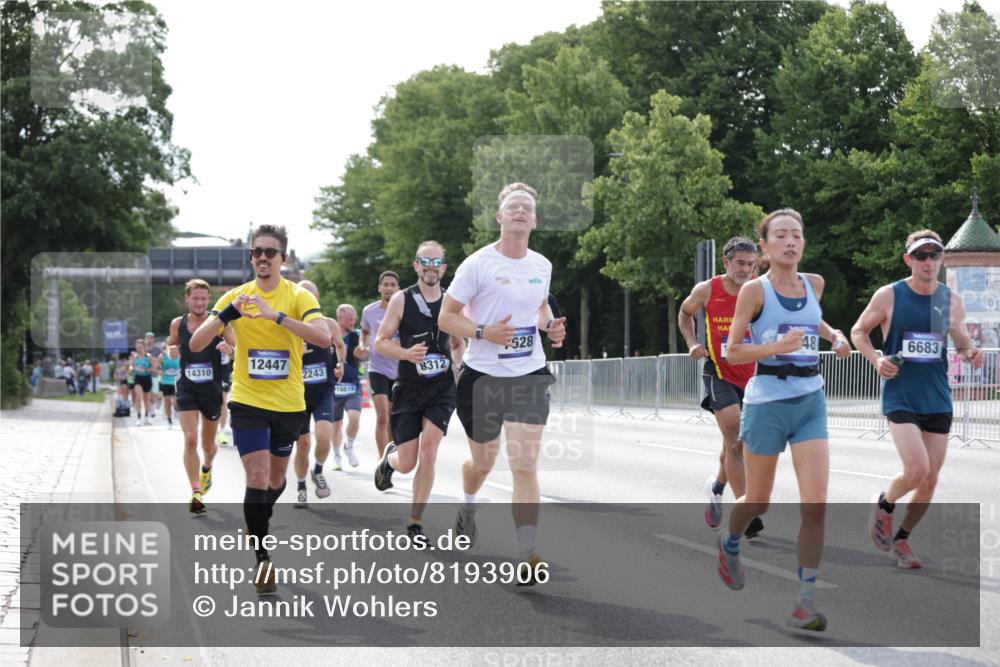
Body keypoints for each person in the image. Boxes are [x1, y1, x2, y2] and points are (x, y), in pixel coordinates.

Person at [718, 208, 851, 632]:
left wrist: (836, 336)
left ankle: (804, 601)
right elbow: (732, 351)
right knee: (758, 502)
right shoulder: (754, 292)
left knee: (816, 505)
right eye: (781, 235)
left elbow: (812, 319)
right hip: (767, 401)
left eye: (797, 234)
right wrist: (776, 348)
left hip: (810, 399)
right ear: (766, 245)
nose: (791, 241)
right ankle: (731, 541)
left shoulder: (814, 283)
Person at [189, 224, 329, 595]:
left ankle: (257, 518)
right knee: (257, 473)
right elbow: (197, 339)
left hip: (288, 404)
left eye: (270, 252)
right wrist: (225, 316)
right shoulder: (237, 296)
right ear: (251, 257)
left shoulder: (297, 296)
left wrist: (275, 316)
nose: (263, 258)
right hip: (247, 400)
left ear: (283, 257)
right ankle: (263, 559)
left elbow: (324, 338)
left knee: (275, 481)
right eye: (257, 252)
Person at [439, 182, 567, 584]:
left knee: (524, 465)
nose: (520, 211)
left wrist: (549, 326)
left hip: (528, 374)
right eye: (512, 206)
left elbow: (540, 305)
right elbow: (447, 316)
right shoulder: (477, 264)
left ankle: (528, 553)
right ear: (499, 217)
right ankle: (468, 506)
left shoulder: (541, 265)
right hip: (482, 380)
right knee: (483, 463)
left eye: (527, 207)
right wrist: (481, 331)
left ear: (535, 219)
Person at [851, 230, 984, 569]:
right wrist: (876, 359)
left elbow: (960, 340)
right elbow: (858, 332)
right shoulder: (890, 295)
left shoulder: (949, 300)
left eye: (934, 255)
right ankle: (885, 503)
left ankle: (903, 539)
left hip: (937, 397)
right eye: (921, 256)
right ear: (908, 259)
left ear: (941, 259)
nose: (928, 262)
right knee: (917, 469)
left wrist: (971, 354)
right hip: (902, 395)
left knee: (930, 480)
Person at [374, 241, 465, 544]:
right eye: (425, 261)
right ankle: (391, 460)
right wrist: (406, 353)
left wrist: (459, 364)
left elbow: (457, 342)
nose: (431, 267)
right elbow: (381, 341)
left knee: (429, 452)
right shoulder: (402, 299)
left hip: (441, 389)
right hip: (410, 388)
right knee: (408, 462)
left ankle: (415, 523)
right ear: (415, 266)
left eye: (437, 262)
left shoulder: (453, 301)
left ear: (444, 268)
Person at [679, 237, 762, 537]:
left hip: (754, 377)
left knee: (735, 444)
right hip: (719, 372)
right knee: (735, 435)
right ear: (726, 262)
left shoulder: (761, 291)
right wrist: (692, 342)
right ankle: (746, 512)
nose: (746, 270)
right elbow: (685, 313)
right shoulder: (707, 290)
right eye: (740, 263)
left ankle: (717, 488)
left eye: (751, 265)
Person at [169, 279, 234, 513]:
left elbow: (238, 349)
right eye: (195, 298)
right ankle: (196, 492)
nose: (199, 302)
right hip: (186, 387)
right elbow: (172, 345)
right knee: (190, 439)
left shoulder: (218, 324)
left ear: (209, 300)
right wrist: (171, 351)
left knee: (208, 446)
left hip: (211, 390)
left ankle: (207, 467)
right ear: (187, 298)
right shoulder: (178, 324)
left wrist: (230, 350)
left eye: (204, 298)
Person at [293, 280, 345, 507]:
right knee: (303, 445)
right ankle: (301, 485)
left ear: (317, 297)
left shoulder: (328, 323)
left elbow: (340, 345)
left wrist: (341, 362)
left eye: (310, 295)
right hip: (297, 393)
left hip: (323, 389)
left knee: (324, 436)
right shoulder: (290, 324)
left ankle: (318, 470)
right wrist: (295, 352)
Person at [360, 271, 401, 459]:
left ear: (398, 288)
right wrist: (363, 346)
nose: (389, 288)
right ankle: (382, 459)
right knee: (383, 416)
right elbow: (366, 332)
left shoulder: (404, 310)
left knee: (394, 418)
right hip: (377, 368)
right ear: (379, 288)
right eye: (385, 284)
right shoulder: (369, 311)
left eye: (393, 284)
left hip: (400, 369)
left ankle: (392, 456)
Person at [331, 304, 364, 469]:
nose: (353, 321)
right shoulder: (329, 335)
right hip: (333, 387)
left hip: (353, 386)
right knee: (336, 424)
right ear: (340, 317)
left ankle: (349, 446)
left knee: (355, 417)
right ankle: (336, 455)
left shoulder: (357, 336)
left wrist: (363, 354)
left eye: (354, 318)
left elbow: (365, 353)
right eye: (350, 319)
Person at [130, 339, 156, 425]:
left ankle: (146, 416)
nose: (139, 349)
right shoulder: (134, 356)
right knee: (138, 397)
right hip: (138, 378)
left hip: (147, 378)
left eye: (140, 347)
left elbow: (154, 367)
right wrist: (131, 369)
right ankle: (138, 417)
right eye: (137, 347)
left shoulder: (148, 356)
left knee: (146, 399)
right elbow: (131, 366)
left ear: (144, 347)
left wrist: (147, 369)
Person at [159, 343, 180, 428]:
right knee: (167, 402)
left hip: (176, 382)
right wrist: (160, 371)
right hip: (166, 382)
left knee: (175, 401)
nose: (173, 351)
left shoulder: (180, 357)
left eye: (175, 350)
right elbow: (157, 367)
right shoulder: (162, 357)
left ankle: (176, 409)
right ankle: (169, 420)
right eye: (171, 349)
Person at [217, 351, 233, 445]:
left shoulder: (228, 335)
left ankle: (222, 431)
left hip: (223, 369)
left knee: (223, 401)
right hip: (210, 365)